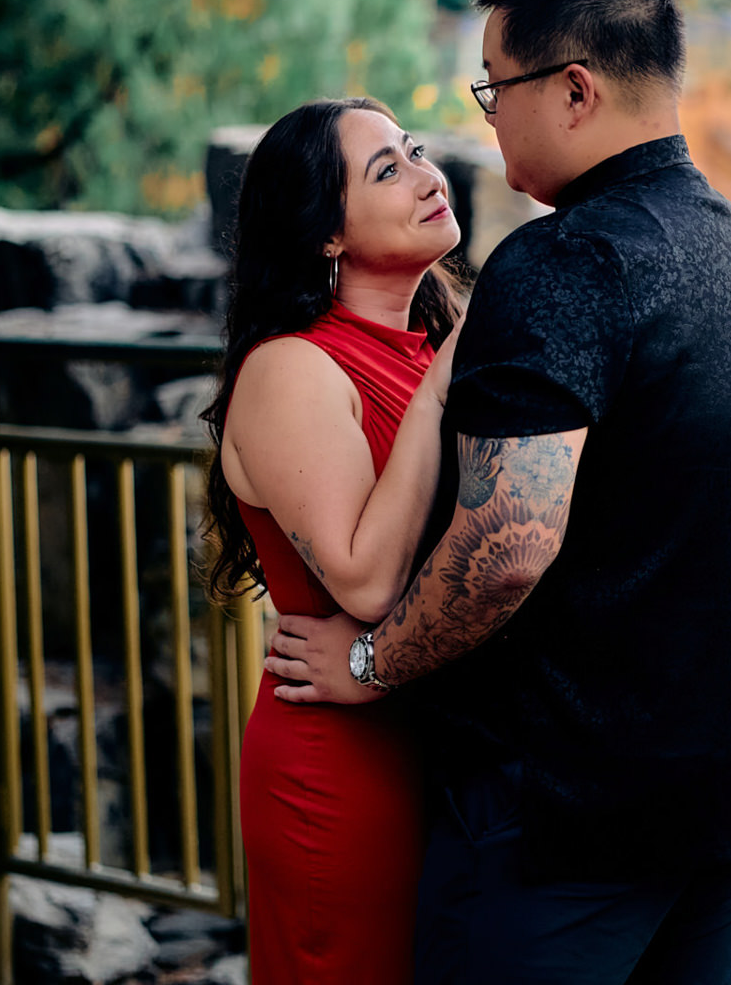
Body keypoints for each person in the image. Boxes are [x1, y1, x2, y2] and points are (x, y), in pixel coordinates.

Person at [263, 0, 731, 984]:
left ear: (574, 90)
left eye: (495, 87)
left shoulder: (561, 258)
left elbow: (508, 543)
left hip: (575, 817)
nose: (483, 119)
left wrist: (366, 663)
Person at [202, 96, 466, 985]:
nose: (428, 177)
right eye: (386, 170)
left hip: (436, 740)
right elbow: (363, 581)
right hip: (343, 770)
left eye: (416, 152)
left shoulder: (433, 342)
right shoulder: (292, 369)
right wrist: (437, 395)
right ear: (324, 234)